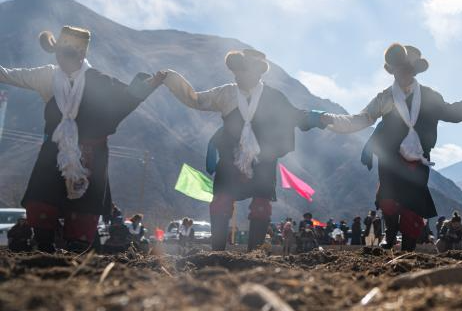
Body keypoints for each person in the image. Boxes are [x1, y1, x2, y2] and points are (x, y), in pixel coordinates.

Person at [159, 49, 346, 252]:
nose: (238, 76)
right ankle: (217, 251)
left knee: (261, 206)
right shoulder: (226, 93)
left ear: (257, 74)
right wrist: (171, 79)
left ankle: (254, 253)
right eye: (236, 72)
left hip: (263, 159)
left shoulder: (273, 97)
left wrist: (316, 117)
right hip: (230, 157)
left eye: (243, 72)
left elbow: (293, 115)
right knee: (221, 202)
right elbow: (195, 99)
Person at [0, 27, 163, 252]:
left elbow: (124, 100)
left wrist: (146, 87)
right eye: (59, 53)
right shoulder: (47, 75)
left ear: (81, 56)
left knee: (83, 212)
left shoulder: (98, 81)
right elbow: (7, 74)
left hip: (91, 155)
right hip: (54, 153)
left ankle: (76, 254)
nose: (62, 59)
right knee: (42, 201)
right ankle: (44, 248)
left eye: (68, 54)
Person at [354, 44, 462, 251]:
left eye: (406, 69)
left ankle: (408, 249)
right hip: (389, 155)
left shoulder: (430, 97)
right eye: (397, 69)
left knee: (412, 206)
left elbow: (452, 112)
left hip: (417, 157)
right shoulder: (386, 96)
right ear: (393, 70)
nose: (402, 74)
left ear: (413, 72)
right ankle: (390, 232)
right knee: (387, 198)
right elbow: (373, 121)